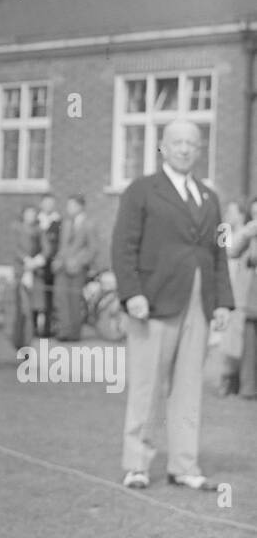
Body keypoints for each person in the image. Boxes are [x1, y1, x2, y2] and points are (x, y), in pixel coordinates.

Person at [111, 119, 233, 490]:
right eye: (177, 142)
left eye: (191, 144)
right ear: (163, 146)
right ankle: (137, 464)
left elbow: (219, 252)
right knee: (147, 386)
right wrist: (132, 293)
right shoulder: (142, 190)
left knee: (188, 387)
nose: (184, 149)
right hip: (154, 300)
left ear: (199, 150)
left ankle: (184, 466)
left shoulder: (210, 197)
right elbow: (123, 245)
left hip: (199, 301)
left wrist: (224, 302)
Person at [53, 193, 97, 341]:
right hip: (62, 267)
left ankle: (74, 333)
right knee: (61, 299)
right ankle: (63, 331)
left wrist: (79, 261)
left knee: (74, 300)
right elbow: (62, 245)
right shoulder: (65, 223)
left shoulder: (89, 224)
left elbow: (93, 249)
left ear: (80, 206)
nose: (68, 208)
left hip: (77, 269)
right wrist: (58, 259)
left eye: (72, 205)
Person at [227, 196, 257, 400]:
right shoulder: (246, 234)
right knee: (248, 348)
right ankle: (247, 389)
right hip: (251, 301)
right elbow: (231, 251)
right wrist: (247, 233)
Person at [217, 198, 247, 395]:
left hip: (243, 290)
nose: (228, 215)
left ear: (241, 214)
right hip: (229, 290)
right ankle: (226, 379)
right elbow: (221, 255)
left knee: (240, 336)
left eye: (232, 211)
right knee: (227, 338)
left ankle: (236, 379)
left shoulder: (247, 233)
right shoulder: (224, 231)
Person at [12, 205, 41, 351]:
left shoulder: (38, 231)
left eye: (33, 214)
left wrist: (37, 260)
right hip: (21, 271)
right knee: (21, 308)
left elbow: (44, 247)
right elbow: (15, 247)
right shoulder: (17, 229)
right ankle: (19, 339)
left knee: (29, 308)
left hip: (34, 272)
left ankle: (26, 340)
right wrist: (25, 260)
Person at [35, 193, 62, 337]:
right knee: (34, 295)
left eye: (51, 203)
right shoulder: (35, 221)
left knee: (48, 296)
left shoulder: (59, 222)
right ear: (41, 204)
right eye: (46, 203)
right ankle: (32, 326)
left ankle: (47, 328)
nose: (49, 206)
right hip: (34, 263)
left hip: (50, 264)